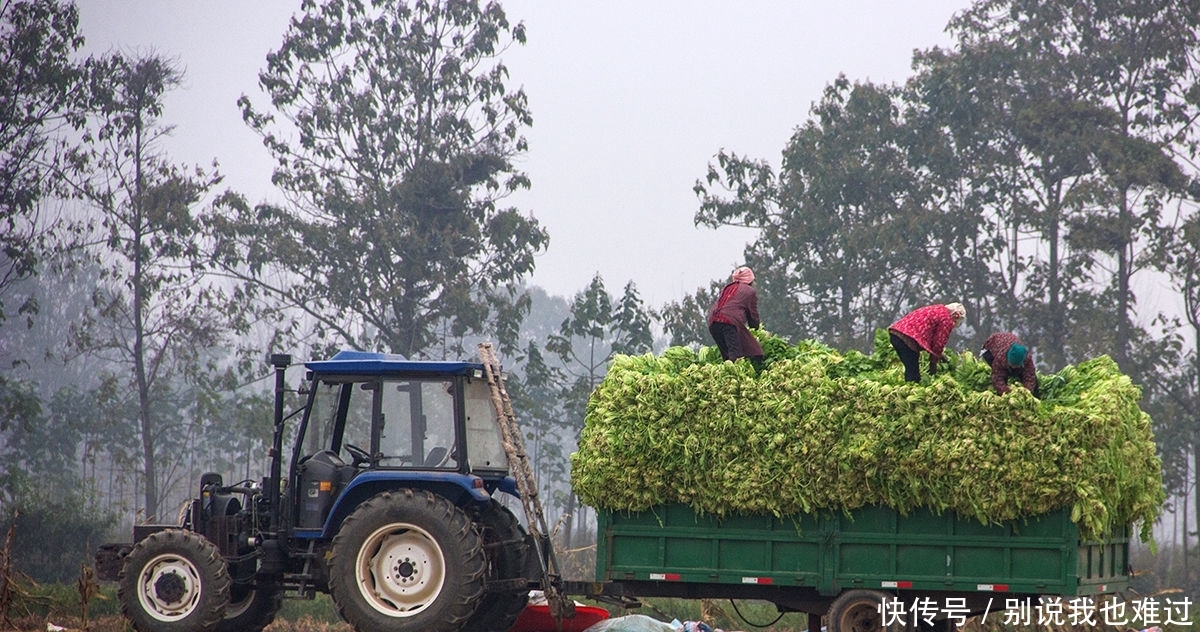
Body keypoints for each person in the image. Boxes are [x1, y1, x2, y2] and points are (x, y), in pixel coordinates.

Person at [888, 302, 966, 382]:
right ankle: (910, 388)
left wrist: (940, 355)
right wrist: (933, 363)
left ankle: (909, 386)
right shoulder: (946, 319)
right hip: (907, 339)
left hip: (896, 333)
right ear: (955, 315)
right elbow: (939, 343)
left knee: (910, 368)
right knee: (913, 375)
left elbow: (931, 333)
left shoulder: (937, 309)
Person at [707, 266, 764, 364]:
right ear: (750, 281)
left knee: (727, 356)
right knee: (736, 355)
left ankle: (725, 374)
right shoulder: (750, 291)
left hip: (713, 322)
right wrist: (755, 327)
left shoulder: (728, 288)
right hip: (728, 322)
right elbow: (753, 315)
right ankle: (733, 376)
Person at [980, 332, 1038, 396]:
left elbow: (1030, 376)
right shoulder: (1000, 359)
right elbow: (997, 378)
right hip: (990, 347)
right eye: (1012, 365)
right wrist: (1006, 392)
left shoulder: (1027, 359)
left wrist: (1027, 392)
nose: (1014, 367)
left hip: (1009, 341)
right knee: (1003, 375)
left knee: (1032, 381)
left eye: (1016, 365)